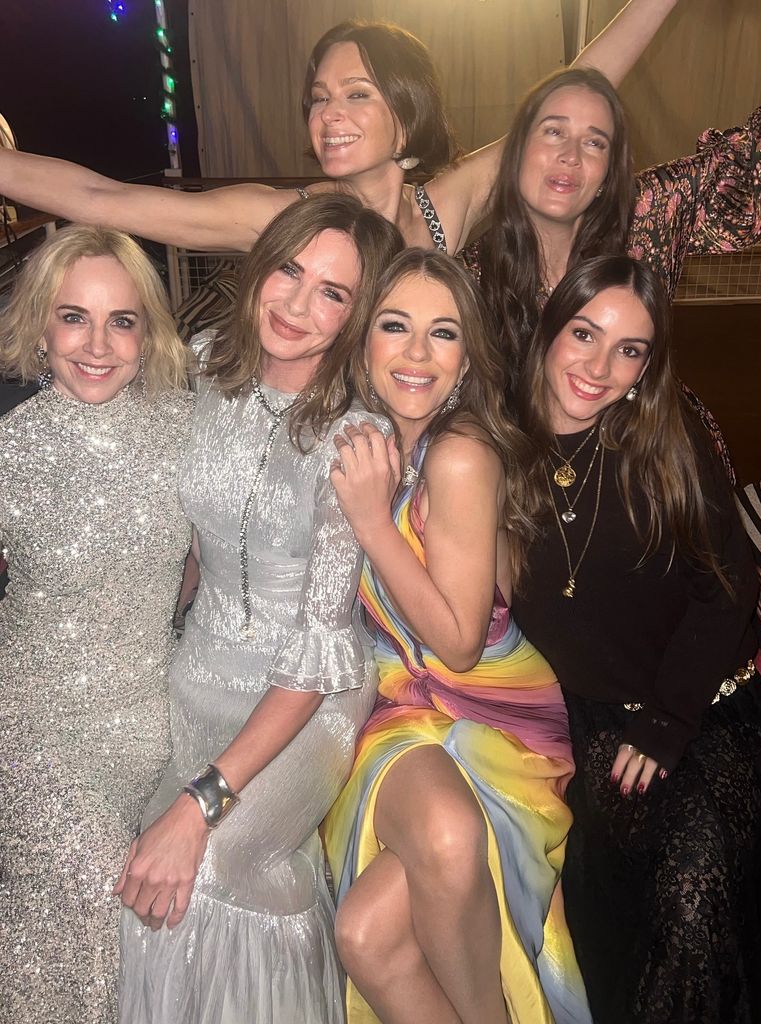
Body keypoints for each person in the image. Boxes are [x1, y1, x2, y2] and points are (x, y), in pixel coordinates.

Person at [115, 194, 403, 1024]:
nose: (297, 304)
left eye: (333, 294)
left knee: (200, 870)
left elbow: (315, 656)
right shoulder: (204, 366)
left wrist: (203, 800)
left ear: (356, 316)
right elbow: (191, 548)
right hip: (193, 675)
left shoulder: (357, 439)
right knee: (133, 865)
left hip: (304, 701)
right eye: (290, 270)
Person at [513, 255, 761, 1024]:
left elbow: (729, 585)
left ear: (646, 368)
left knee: (696, 887)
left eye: (629, 350)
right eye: (584, 333)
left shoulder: (664, 440)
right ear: (548, 330)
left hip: (705, 706)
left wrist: (670, 720)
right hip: (589, 719)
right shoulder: (495, 447)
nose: (599, 367)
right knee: (612, 906)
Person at [322, 249, 590, 1024]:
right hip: (399, 710)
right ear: (363, 340)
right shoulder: (367, 440)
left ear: (467, 358)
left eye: (442, 334)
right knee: (366, 936)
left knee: (442, 833)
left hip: (487, 713)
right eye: (394, 326)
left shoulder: (460, 454)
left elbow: (460, 643)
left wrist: (376, 525)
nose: (415, 354)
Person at [0, 2, 679, 253]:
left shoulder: (447, 206)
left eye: (357, 94)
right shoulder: (281, 218)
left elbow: (577, 85)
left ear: (407, 118)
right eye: (319, 97)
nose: (328, 115)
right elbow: (105, 200)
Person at [0, 224, 192, 1022]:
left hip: (157, 728)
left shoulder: (184, 429)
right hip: (40, 734)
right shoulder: (11, 448)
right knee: (82, 912)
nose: (98, 345)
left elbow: (201, 568)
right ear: (41, 325)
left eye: (122, 320)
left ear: (148, 334)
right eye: (73, 316)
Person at [463, 66, 761, 472]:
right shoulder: (474, 275)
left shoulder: (648, 213)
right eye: (554, 131)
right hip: (538, 482)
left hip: (656, 463)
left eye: (595, 143)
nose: (571, 156)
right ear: (516, 151)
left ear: (608, 171)